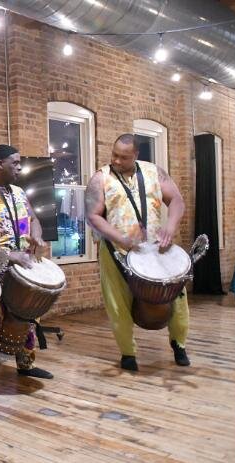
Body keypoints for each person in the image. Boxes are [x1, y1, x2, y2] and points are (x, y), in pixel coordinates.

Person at [85, 134, 189, 371]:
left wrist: (170, 228)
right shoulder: (100, 178)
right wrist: (121, 239)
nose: (117, 161)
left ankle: (179, 344)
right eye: (114, 155)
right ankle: (128, 354)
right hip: (116, 250)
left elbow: (177, 201)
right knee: (117, 303)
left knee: (178, 297)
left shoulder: (154, 172)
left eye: (124, 157)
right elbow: (92, 216)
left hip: (157, 249)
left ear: (136, 155)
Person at [0, 144, 54, 388]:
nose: (19, 167)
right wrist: (8, 255)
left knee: (25, 314)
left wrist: (36, 235)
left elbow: (34, 218)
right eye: (15, 162)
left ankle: (26, 364)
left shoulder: (18, 192)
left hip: (21, 266)